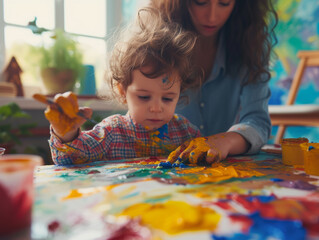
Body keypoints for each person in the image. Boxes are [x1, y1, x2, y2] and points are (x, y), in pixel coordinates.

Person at [44, 8, 202, 165]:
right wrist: (66, 133)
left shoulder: (186, 132)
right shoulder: (113, 132)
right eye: (144, 97)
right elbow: (70, 160)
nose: (156, 108)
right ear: (122, 91)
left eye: (167, 98)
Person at [148, 0, 278, 164]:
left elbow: (257, 119)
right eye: (200, 2)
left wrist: (226, 141)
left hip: (223, 169)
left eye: (224, 3)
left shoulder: (251, 47)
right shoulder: (153, 44)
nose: (212, 17)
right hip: (165, 165)